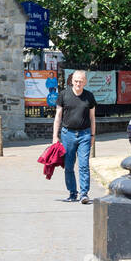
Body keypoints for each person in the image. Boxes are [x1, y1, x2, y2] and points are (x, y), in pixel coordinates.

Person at [52, 70, 96, 204]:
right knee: (69, 166)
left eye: (81, 81)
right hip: (67, 134)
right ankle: (72, 193)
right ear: (72, 81)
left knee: (83, 165)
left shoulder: (89, 96)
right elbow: (58, 117)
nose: (78, 83)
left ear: (85, 82)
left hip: (85, 134)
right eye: (76, 81)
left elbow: (92, 118)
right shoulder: (63, 95)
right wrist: (55, 136)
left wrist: (93, 135)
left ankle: (84, 194)